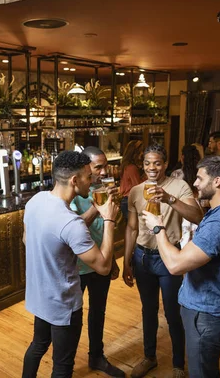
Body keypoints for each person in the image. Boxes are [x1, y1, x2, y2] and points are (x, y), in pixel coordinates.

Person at [142, 155, 220, 378]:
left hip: (205, 313)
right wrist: (170, 199)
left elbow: (175, 265)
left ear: (217, 181)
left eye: (200, 178)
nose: (195, 184)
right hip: (209, 308)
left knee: (201, 372)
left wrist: (158, 228)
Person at [22, 151, 119, 378]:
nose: (92, 181)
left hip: (39, 297)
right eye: (88, 176)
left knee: (37, 346)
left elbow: (27, 240)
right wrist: (109, 219)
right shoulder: (71, 222)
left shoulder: (35, 201)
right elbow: (103, 267)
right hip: (63, 304)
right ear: (74, 181)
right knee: (62, 366)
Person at [123, 144, 203, 378]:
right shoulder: (136, 191)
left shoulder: (179, 186)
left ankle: (178, 364)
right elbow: (131, 228)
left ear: (165, 164)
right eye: (147, 163)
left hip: (169, 259)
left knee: (172, 312)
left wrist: (169, 198)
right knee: (148, 310)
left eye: (157, 163)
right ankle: (149, 357)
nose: (152, 168)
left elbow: (197, 216)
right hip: (142, 257)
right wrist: (127, 261)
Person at [69, 146, 124, 377]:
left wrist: (112, 260)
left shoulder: (104, 189)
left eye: (105, 166)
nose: (103, 172)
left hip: (101, 260)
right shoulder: (75, 194)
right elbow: (76, 226)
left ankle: (96, 357)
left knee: (98, 311)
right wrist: (97, 205)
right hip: (78, 267)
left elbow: (110, 227)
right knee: (73, 316)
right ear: (85, 169)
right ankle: (66, 364)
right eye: (97, 167)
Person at [170, 144, 202, 247]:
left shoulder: (176, 174)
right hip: (197, 208)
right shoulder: (200, 174)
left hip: (181, 207)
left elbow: (172, 194)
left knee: (182, 237)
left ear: (182, 157)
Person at [120, 140, 145, 220]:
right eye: (140, 151)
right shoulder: (131, 168)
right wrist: (146, 178)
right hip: (129, 200)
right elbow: (137, 186)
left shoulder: (126, 165)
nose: (142, 154)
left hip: (125, 200)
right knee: (133, 227)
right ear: (134, 152)